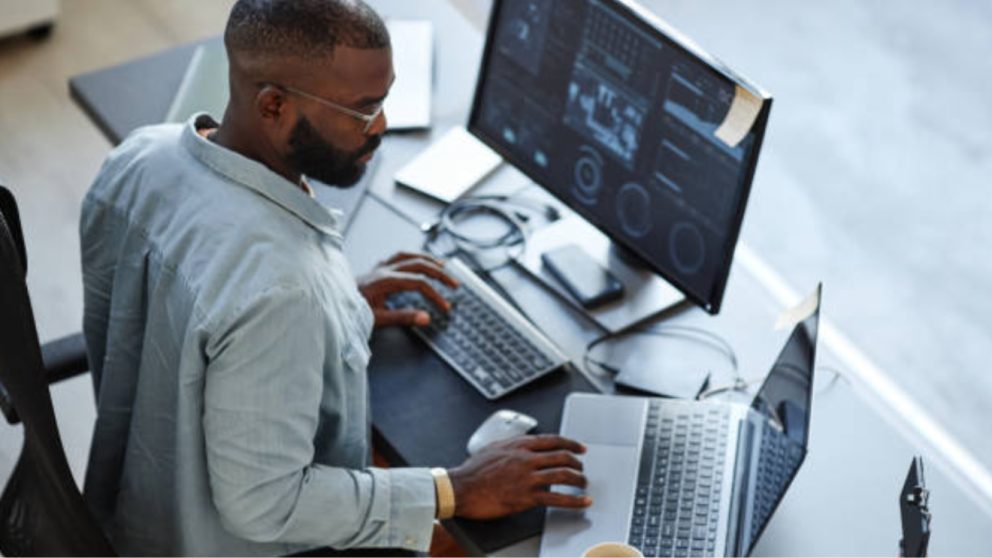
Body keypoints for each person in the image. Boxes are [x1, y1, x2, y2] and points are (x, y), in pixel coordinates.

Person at [79, 0, 590, 555]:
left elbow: (193, 312)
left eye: (386, 99)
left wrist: (339, 311)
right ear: (273, 105)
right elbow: (269, 506)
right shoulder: (282, 290)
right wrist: (455, 488)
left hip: (134, 506)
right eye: (363, 110)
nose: (383, 127)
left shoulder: (138, 157)